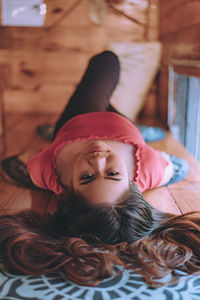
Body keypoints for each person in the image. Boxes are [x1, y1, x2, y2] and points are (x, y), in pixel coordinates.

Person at [1, 51, 198, 287]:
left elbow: (11, 165)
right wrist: (159, 155)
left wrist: (24, 160)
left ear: (67, 188)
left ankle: (57, 129)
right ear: (133, 181)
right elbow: (180, 167)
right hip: (122, 127)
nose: (98, 159)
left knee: (106, 60)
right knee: (113, 94)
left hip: (77, 120)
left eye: (87, 177)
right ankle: (143, 132)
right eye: (113, 173)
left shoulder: (49, 171)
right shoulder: (149, 167)